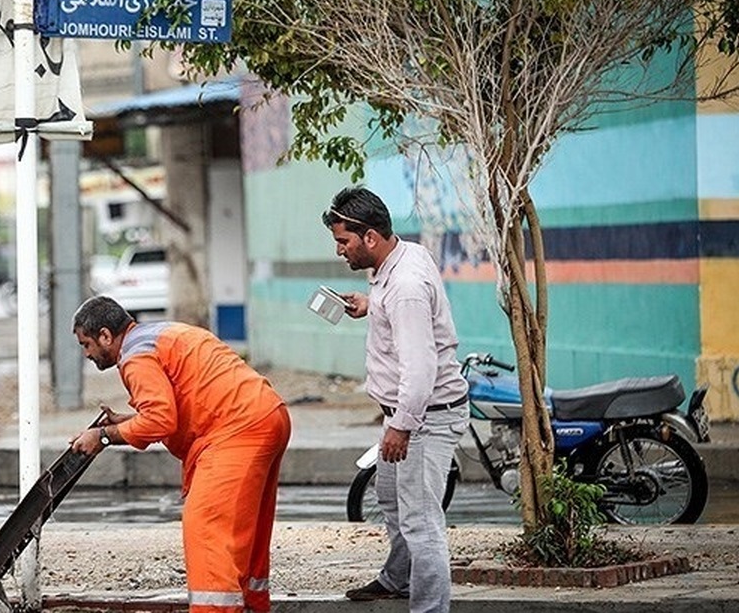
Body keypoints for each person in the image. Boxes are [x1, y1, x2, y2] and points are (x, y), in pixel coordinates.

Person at [69, 296, 291, 613]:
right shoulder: (160, 334)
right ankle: (252, 604)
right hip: (267, 414)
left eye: (86, 344)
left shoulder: (134, 358)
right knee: (245, 531)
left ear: (106, 335)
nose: (87, 354)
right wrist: (127, 422)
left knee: (205, 528)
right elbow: (177, 402)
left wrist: (103, 436)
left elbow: (160, 420)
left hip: (236, 429)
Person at [322, 186, 469, 612]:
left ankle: (429, 608)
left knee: (421, 522)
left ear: (369, 237)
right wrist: (372, 305)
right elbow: (408, 313)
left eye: (343, 242)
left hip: (422, 418)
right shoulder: (403, 257)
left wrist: (402, 426)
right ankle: (396, 578)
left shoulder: (404, 285)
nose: (339, 252)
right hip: (404, 416)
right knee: (389, 498)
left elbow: (420, 367)